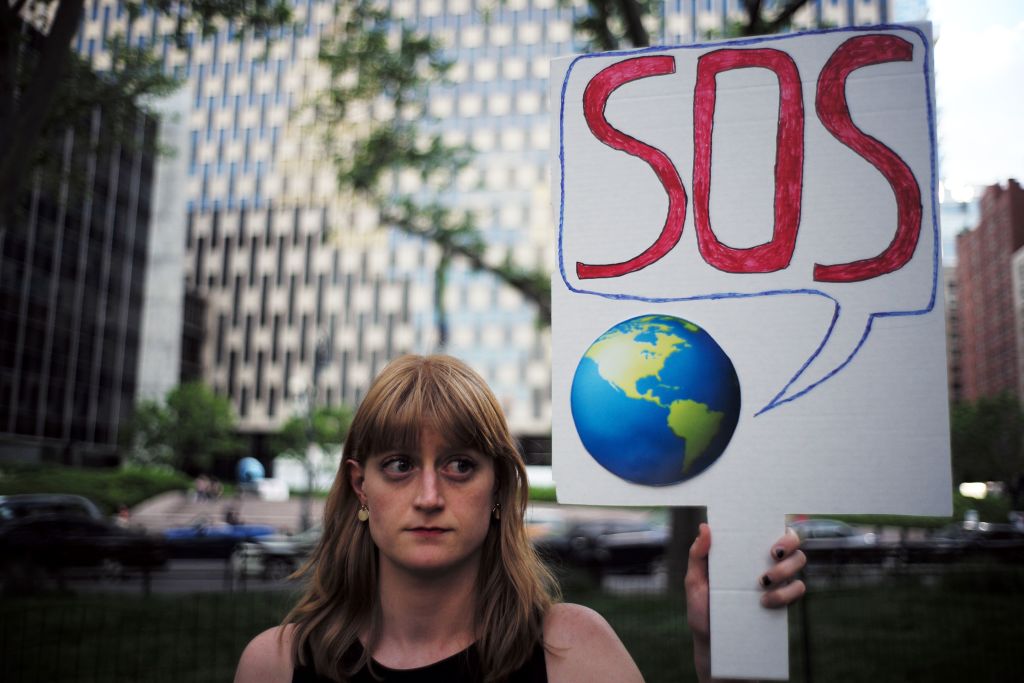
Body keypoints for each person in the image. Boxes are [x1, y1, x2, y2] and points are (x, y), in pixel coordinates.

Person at [234, 354, 805, 683]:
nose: (429, 495)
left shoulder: (572, 651)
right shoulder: (275, 665)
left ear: (500, 487)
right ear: (361, 486)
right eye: (400, 465)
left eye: (460, 465)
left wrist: (719, 651)